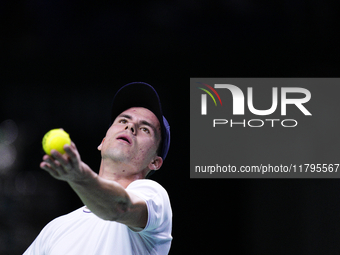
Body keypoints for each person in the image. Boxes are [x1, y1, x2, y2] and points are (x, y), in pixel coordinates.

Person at [23, 82, 172, 255]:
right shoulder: (55, 229)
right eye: (123, 120)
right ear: (102, 142)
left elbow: (120, 207)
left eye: (145, 129)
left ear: (155, 162)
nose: (130, 127)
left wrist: (80, 177)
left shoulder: (154, 197)